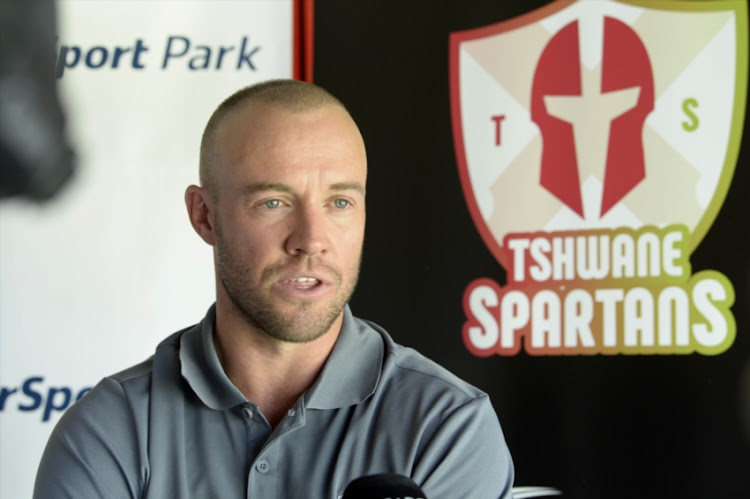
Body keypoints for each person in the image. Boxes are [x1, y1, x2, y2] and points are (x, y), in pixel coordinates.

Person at [33, 79, 515, 498]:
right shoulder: (109, 433)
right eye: (273, 202)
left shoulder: (446, 428)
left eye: (340, 202)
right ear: (204, 215)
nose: (311, 240)